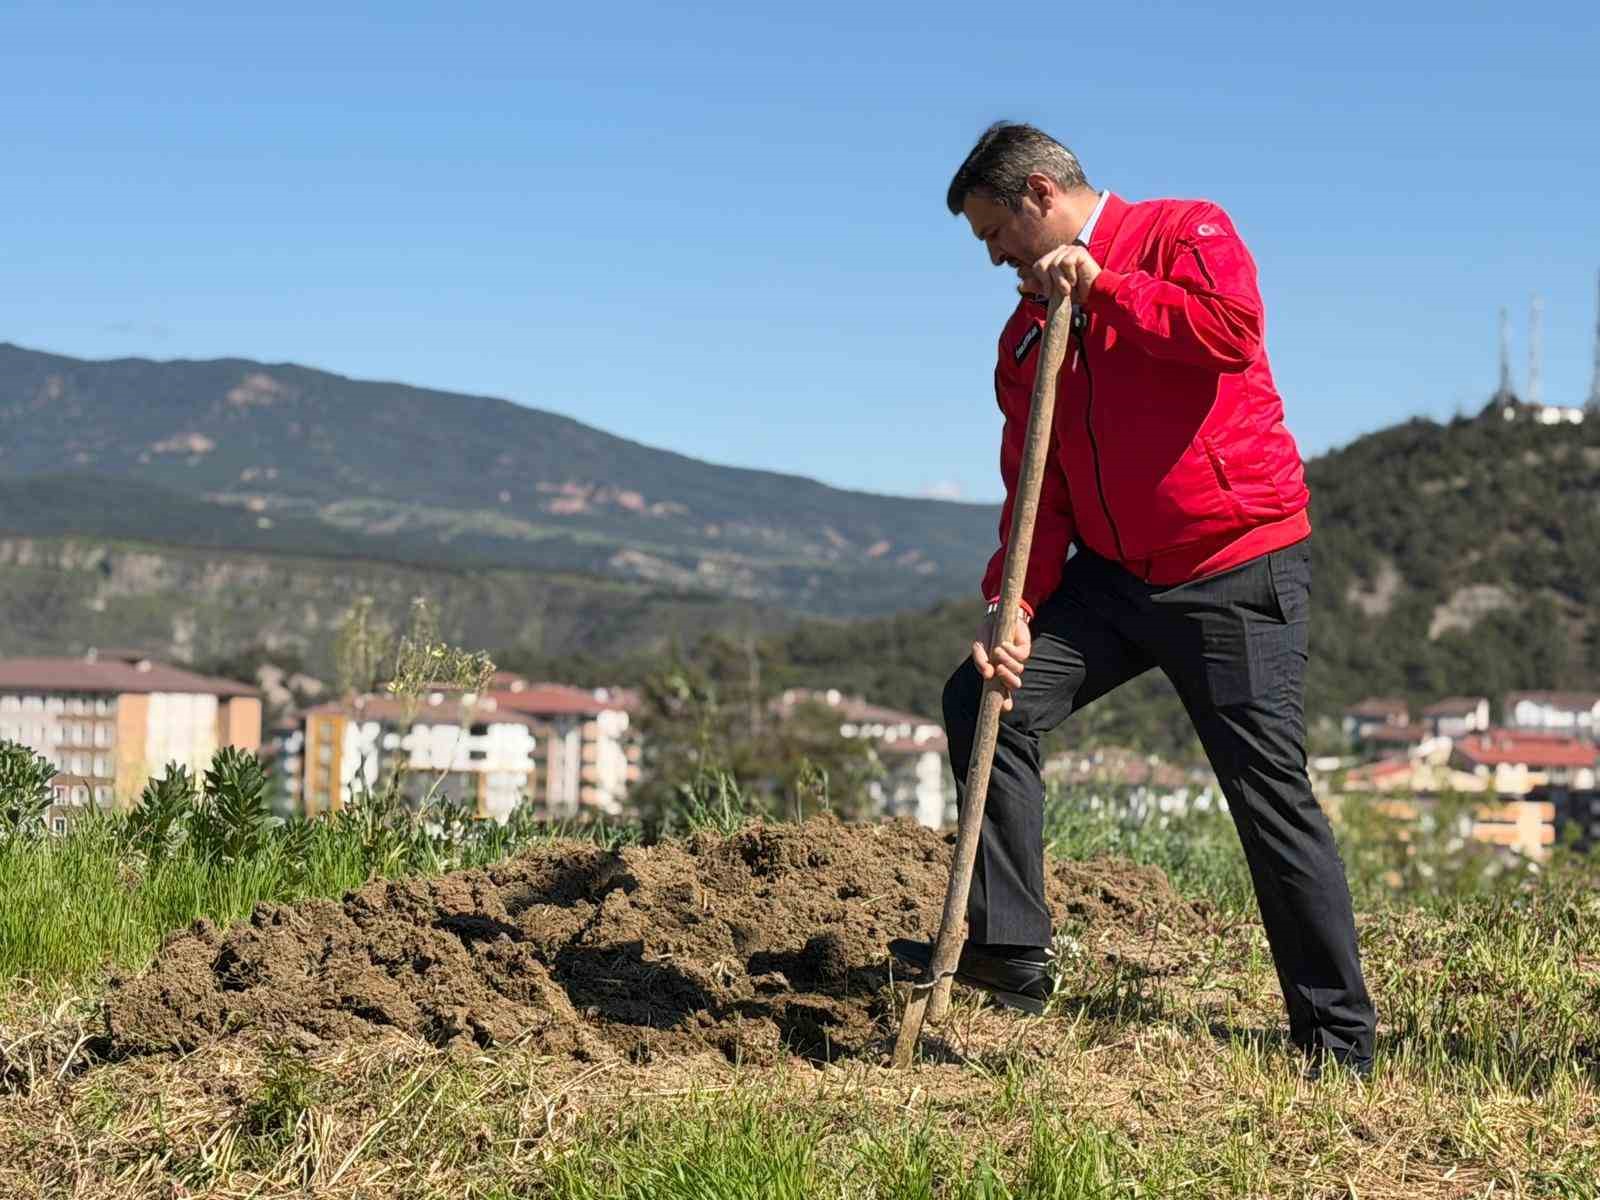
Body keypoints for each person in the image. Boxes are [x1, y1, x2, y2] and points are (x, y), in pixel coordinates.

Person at [891, 122, 1376, 1076]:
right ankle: (1013, 948)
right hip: (1115, 579)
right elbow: (1038, 489)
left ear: (1039, 193)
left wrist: (1105, 288)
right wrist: (1015, 608)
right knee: (984, 699)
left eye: (997, 233)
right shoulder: (1026, 333)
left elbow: (1229, 335)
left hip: (1232, 567)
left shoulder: (1184, 232)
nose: (993, 258)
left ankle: (1336, 1039)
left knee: (1266, 794)